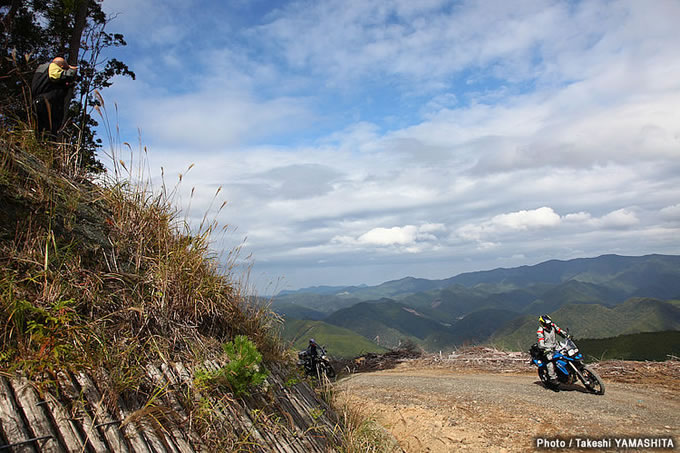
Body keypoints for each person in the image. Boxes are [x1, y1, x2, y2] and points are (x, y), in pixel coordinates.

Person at [31, 57, 78, 136]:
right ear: (61, 66)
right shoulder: (52, 66)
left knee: (40, 131)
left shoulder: (43, 71)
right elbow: (56, 75)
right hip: (47, 104)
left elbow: (53, 83)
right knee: (49, 131)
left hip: (39, 102)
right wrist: (71, 70)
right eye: (64, 69)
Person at [536, 314, 569, 390]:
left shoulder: (553, 326)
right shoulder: (540, 330)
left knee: (566, 354)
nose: (548, 325)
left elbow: (560, 331)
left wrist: (566, 336)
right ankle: (552, 378)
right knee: (550, 361)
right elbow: (540, 340)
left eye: (549, 323)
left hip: (556, 346)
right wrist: (544, 347)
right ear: (542, 323)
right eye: (546, 323)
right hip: (547, 349)